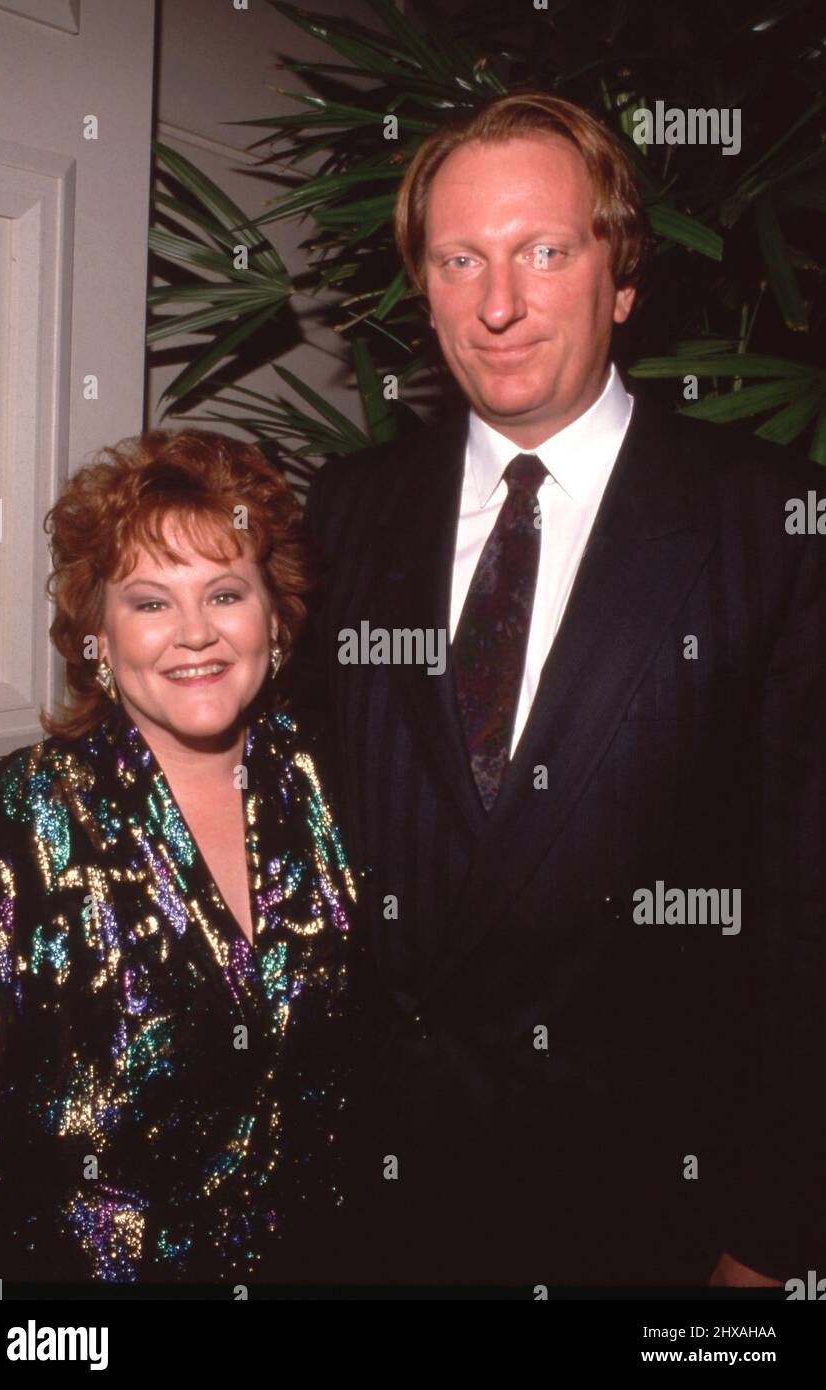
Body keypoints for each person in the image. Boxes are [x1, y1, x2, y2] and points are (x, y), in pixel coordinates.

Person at [298, 92, 826, 1287]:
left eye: (543, 251)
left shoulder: (772, 524)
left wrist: (774, 1227)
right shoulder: (346, 511)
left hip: (646, 1214)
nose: (496, 304)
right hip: (377, 1197)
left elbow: (806, 907)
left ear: (621, 276)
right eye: (459, 259)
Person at [0, 429, 357, 1285]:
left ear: (275, 616)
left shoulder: (342, 786)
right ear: (96, 634)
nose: (193, 635)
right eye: (149, 603)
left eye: (224, 594)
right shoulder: (5, 830)